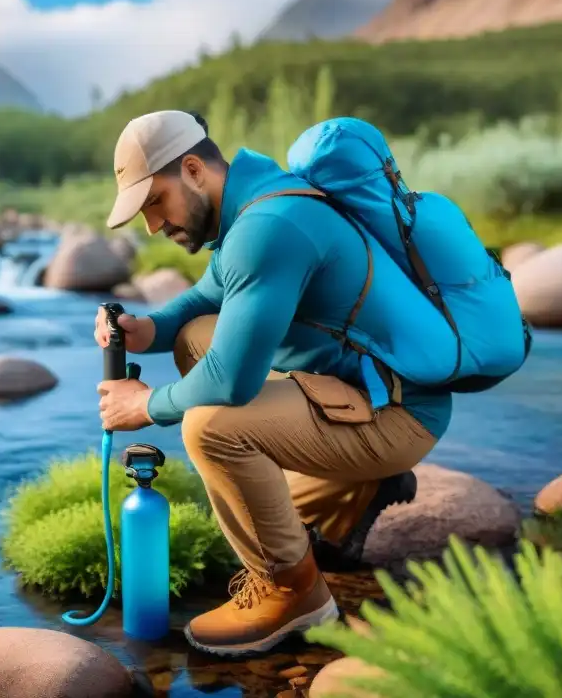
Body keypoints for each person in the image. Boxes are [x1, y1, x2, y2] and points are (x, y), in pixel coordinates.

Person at [94, 109, 452, 657]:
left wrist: (145, 406)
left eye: (153, 202)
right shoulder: (259, 201)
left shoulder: (268, 228)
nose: (152, 226)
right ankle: (350, 494)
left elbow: (232, 382)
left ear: (193, 170)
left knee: (212, 426)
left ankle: (293, 593)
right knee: (194, 335)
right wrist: (147, 331)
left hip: (399, 414)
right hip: (366, 391)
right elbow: (205, 300)